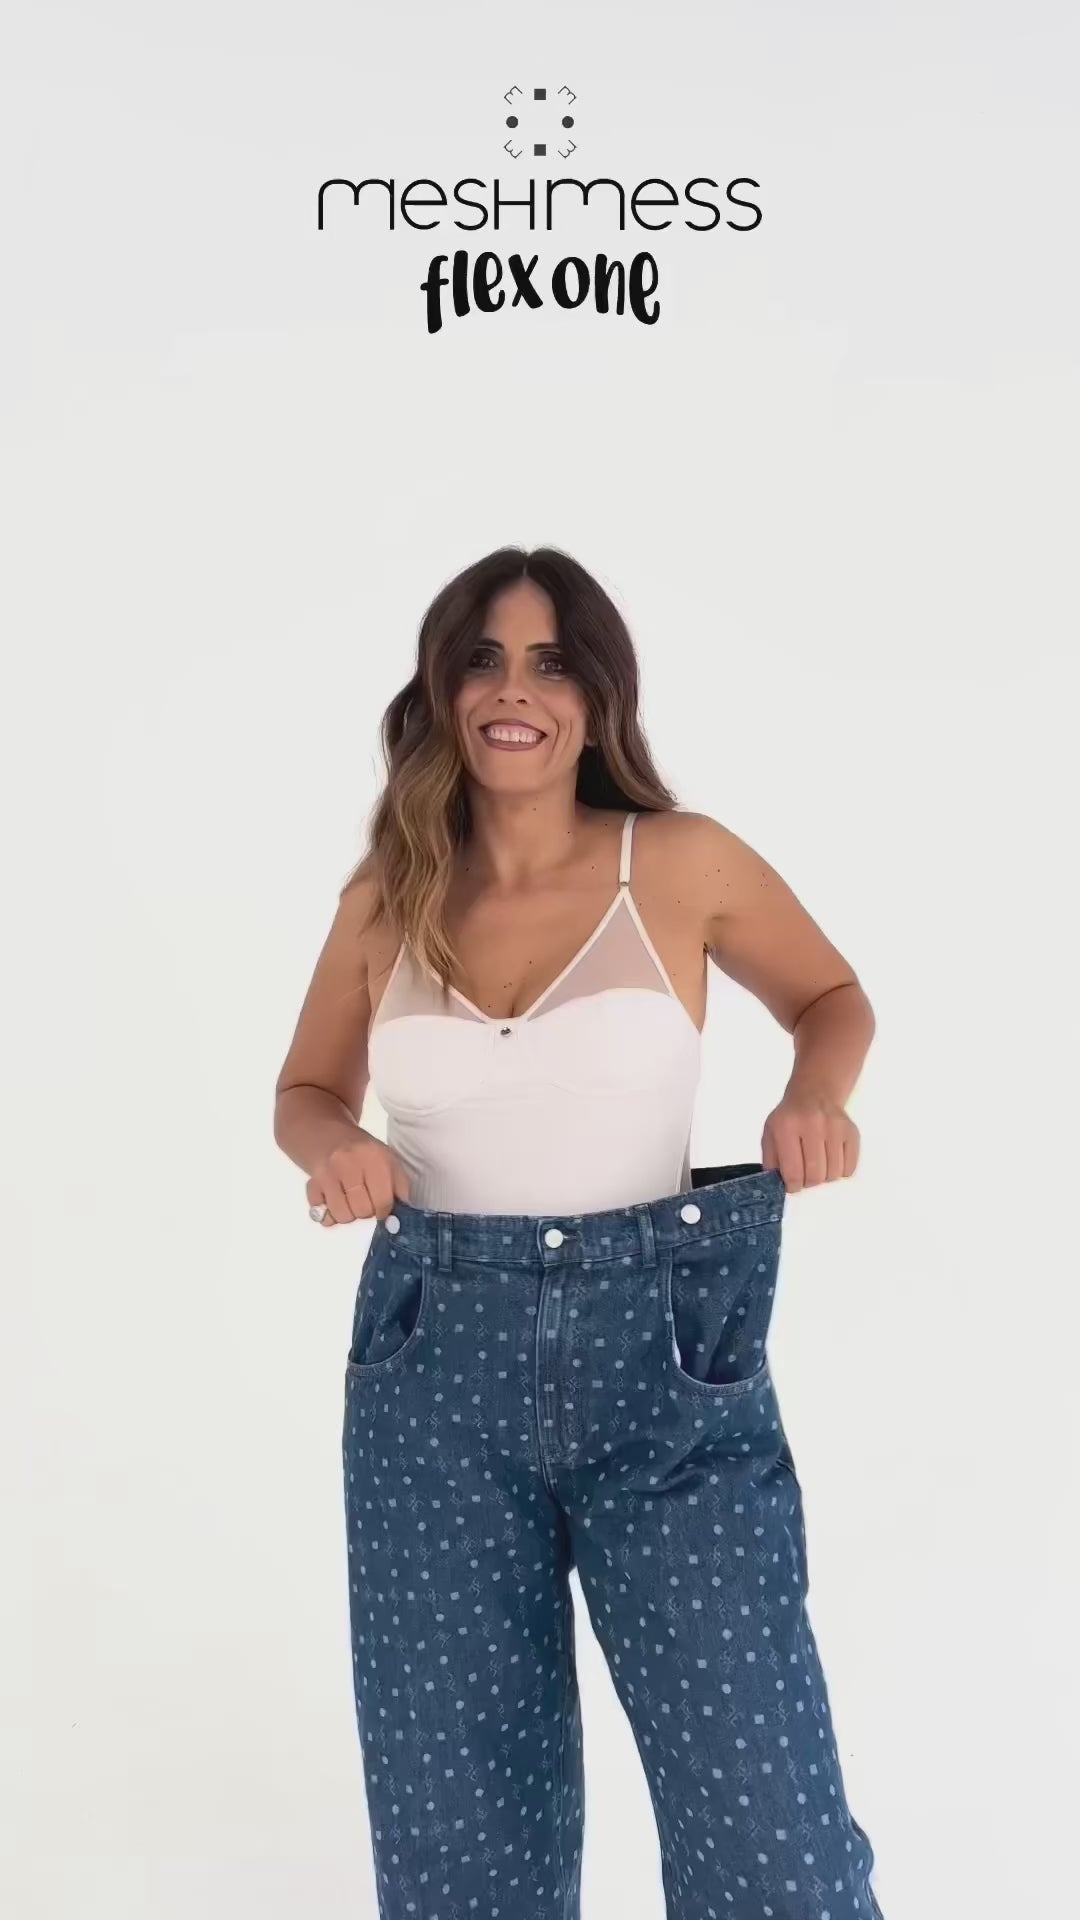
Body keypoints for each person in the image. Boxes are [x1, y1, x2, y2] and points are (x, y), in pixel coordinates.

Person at [273, 546, 886, 1919]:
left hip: (666, 1361)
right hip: (434, 1370)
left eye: (551, 664)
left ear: (598, 697)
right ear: (442, 690)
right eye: (483, 660)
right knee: (458, 1832)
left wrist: (816, 1097)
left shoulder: (677, 860)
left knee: (768, 1825)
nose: (515, 691)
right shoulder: (387, 895)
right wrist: (337, 1150)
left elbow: (832, 996)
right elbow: (305, 1092)